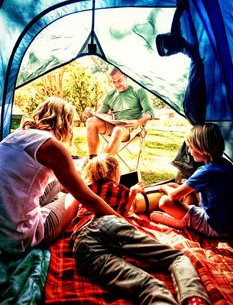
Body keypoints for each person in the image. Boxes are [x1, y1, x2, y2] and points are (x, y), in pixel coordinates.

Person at [70, 154, 210, 305]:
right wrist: (132, 193)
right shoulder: (119, 188)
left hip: (82, 243)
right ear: (115, 173)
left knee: (146, 286)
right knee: (176, 258)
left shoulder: (85, 190)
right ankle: (194, 299)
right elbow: (123, 213)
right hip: (108, 223)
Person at [0, 97, 119, 256]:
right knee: (76, 194)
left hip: (3, 227)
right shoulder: (52, 146)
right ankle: (96, 186)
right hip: (18, 237)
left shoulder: (14, 136)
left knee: (65, 179)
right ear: (66, 123)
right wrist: (124, 223)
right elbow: (88, 200)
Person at [150, 123, 233, 237]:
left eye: (191, 147)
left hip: (217, 227)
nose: (188, 151)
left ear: (203, 149)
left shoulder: (205, 171)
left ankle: (182, 223)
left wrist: (165, 188)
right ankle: (187, 218)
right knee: (188, 191)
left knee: (164, 201)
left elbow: (174, 196)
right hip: (228, 224)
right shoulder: (226, 164)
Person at [84, 67, 155, 158]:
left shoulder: (138, 91)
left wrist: (138, 122)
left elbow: (150, 112)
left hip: (131, 127)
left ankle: (100, 164)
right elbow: (99, 114)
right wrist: (90, 113)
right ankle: (92, 158)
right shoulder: (110, 95)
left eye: (119, 80)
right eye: (114, 81)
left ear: (126, 77)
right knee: (91, 121)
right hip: (115, 125)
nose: (117, 84)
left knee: (118, 129)